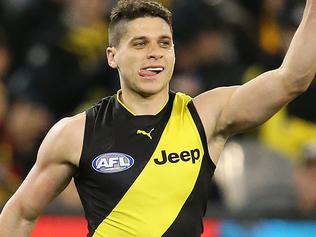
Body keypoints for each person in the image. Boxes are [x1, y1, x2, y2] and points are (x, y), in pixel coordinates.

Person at [0, 0, 315, 236]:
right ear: (112, 56)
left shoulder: (206, 115)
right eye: (140, 43)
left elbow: (292, 79)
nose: (155, 53)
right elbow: (21, 213)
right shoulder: (75, 133)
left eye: (164, 43)